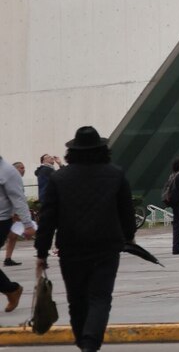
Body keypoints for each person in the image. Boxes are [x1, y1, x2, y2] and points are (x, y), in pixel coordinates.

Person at [34, 127, 134, 351]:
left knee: (76, 300)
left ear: (72, 152)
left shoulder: (60, 178)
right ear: (102, 150)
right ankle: (90, 343)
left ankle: (83, 343)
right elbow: (126, 212)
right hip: (106, 247)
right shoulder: (115, 174)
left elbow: (48, 218)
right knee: (100, 297)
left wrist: (41, 252)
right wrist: (128, 237)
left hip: (71, 248)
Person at [1, 156, 34, 313]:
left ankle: (11, 289)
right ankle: (11, 289)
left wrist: (28, 224)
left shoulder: (7, 171)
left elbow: (18, 198)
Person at [4, 162, 27, 267]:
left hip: (13, 213)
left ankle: (8, 258)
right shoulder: (10, 180)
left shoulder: (18, 181)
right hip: (7, 213)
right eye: (21, 168)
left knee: (13, 236)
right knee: (9, 235)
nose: (23, 170)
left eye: (24, 168)